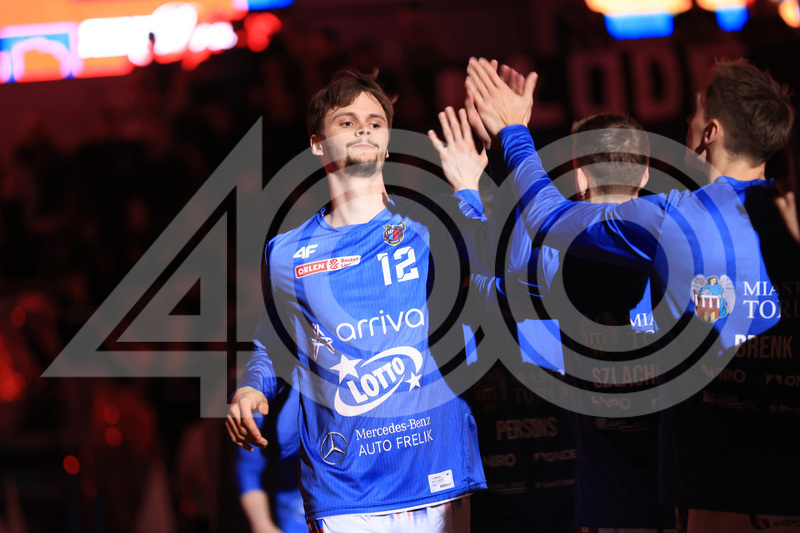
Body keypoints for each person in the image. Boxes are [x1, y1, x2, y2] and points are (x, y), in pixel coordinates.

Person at [464, 57, 799, 531]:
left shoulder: (675, 220)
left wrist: (512, 135)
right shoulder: (788, 216)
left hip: (715, 495)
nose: (687, 122)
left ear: (710, 132)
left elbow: (547, 220)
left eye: (694, 113)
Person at [226, 67, 487, 533]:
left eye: (374, 122)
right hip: (344, 492)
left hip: (437, 479)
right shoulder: (286, 253)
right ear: (317, 144)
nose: (363, 129)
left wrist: (469, 193)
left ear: (386, 144)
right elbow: (276, 342)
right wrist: (252, 387)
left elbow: (493, 263)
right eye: (346, 122)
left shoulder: (431, 229)